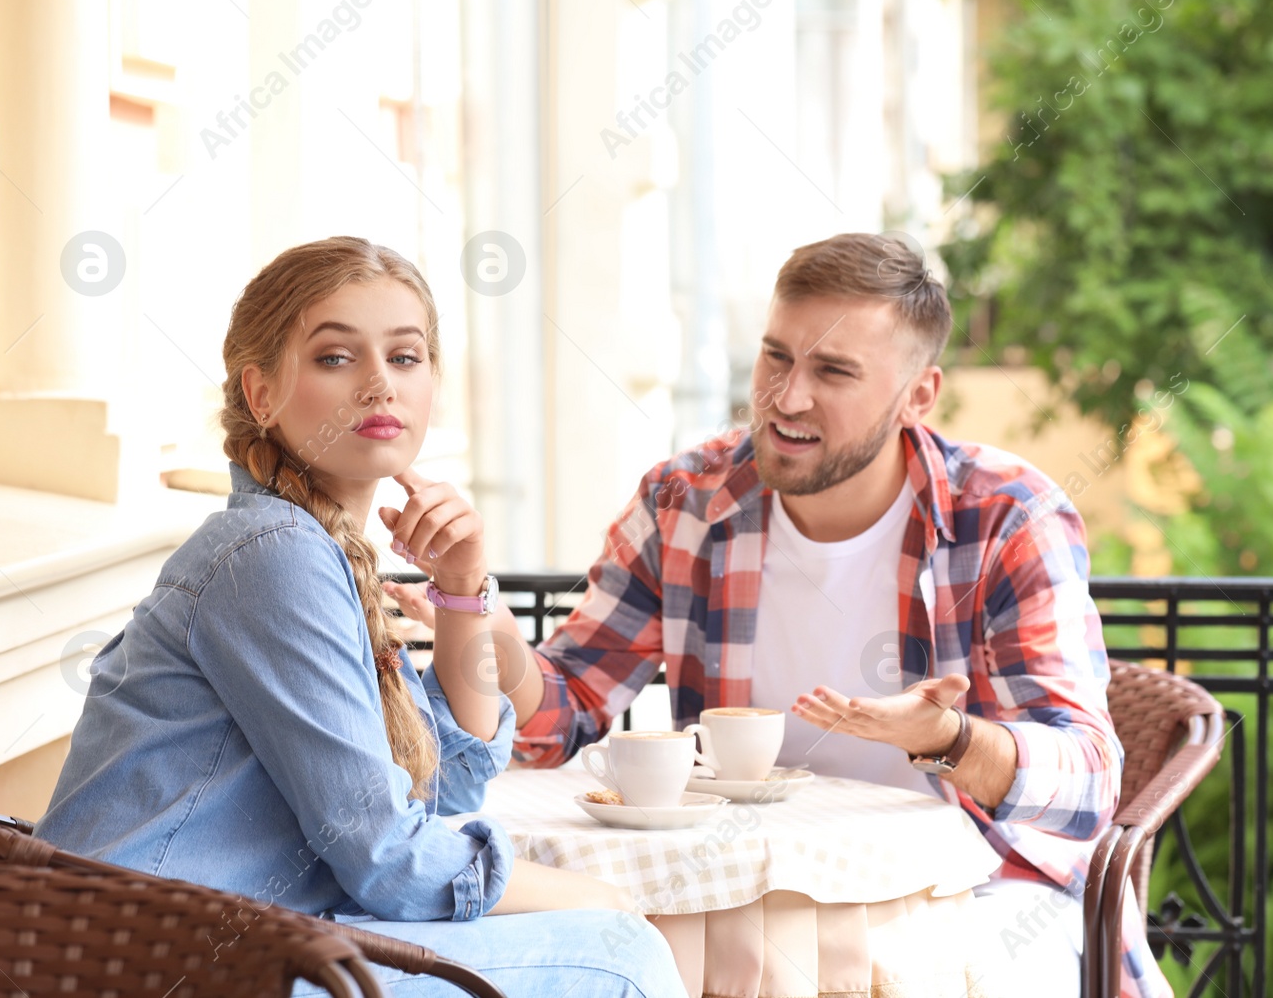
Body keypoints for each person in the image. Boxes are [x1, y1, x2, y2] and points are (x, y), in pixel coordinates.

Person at [393, 233, 1165, 997]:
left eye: (832, 371)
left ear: (918, 396)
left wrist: (947, 738)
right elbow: (563, 710)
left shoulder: (1006, 515)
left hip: (976, 884)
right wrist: (482, 619)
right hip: (738, 892)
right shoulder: (687, 498)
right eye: (776, 357)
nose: (787, 397)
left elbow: (1091, 778)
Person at [35, 236, 685, 998]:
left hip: (240, 937)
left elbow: (445, 782)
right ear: (261, 394)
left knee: (604, 936)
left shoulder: (317, 548)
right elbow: (386, 856)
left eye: (406, 358)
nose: (379, 384)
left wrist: (462, 588)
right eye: (336, 358)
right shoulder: (273, 552)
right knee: (617, 953)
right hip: (162, 964)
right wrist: (600, 895)